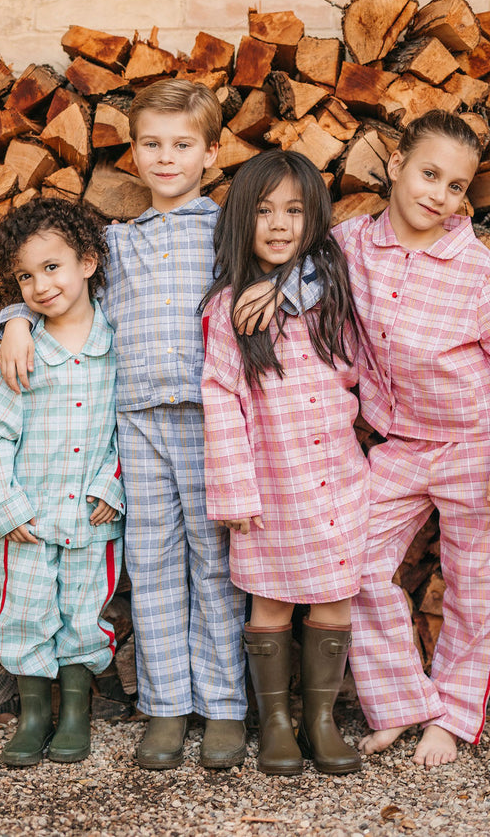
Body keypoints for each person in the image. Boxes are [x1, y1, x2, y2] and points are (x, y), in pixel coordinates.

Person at [0, 79, 319, 770]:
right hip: (135, 423)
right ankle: (167, 708)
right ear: (132, 154)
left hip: (214, 424)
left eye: (181, 145)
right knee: (152, 564)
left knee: (215, 565)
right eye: (151, 144)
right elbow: (59, 293)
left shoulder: (229, 230)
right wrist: (15, 319)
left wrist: (278, 286)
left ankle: (226, 710)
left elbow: (315, 271)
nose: (165, 157)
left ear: (208, 153)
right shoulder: (115, 243)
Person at [337, 110, 490, 767]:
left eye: (455, 186)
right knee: (351, 562)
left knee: (472, 585)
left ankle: (450, 717)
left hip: (472, 448)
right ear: (395, 167)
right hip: (397, 446)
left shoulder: (474, 267)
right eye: (428, 174)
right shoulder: (349, 244)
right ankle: (401, 701)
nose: (439, 194)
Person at [200, 149, 367, 777]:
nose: (278, 224)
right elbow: (222, 401)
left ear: (313, 217)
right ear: (242, 219)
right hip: (268, 484)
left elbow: (357, 365)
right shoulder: (229, 309)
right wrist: (236, 492)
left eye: (294, 211)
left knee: (331, 600)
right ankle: (274, 722)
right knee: (269, 600)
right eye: (264, 210)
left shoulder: (332, 292)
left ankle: (320, 720)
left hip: (335, 478)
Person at [0, 198, 125, 767]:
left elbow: (131, 429)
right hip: (31, 517)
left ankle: (75, 714)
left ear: (88, 261)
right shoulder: (22, 350)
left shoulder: (119, 342)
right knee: (27, 611)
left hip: (91, 517)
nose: (39, 285)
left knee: (84, 614)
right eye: (25, 276)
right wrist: (6, 508)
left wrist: (113, 486)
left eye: (52, 267)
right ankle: (34, 713)